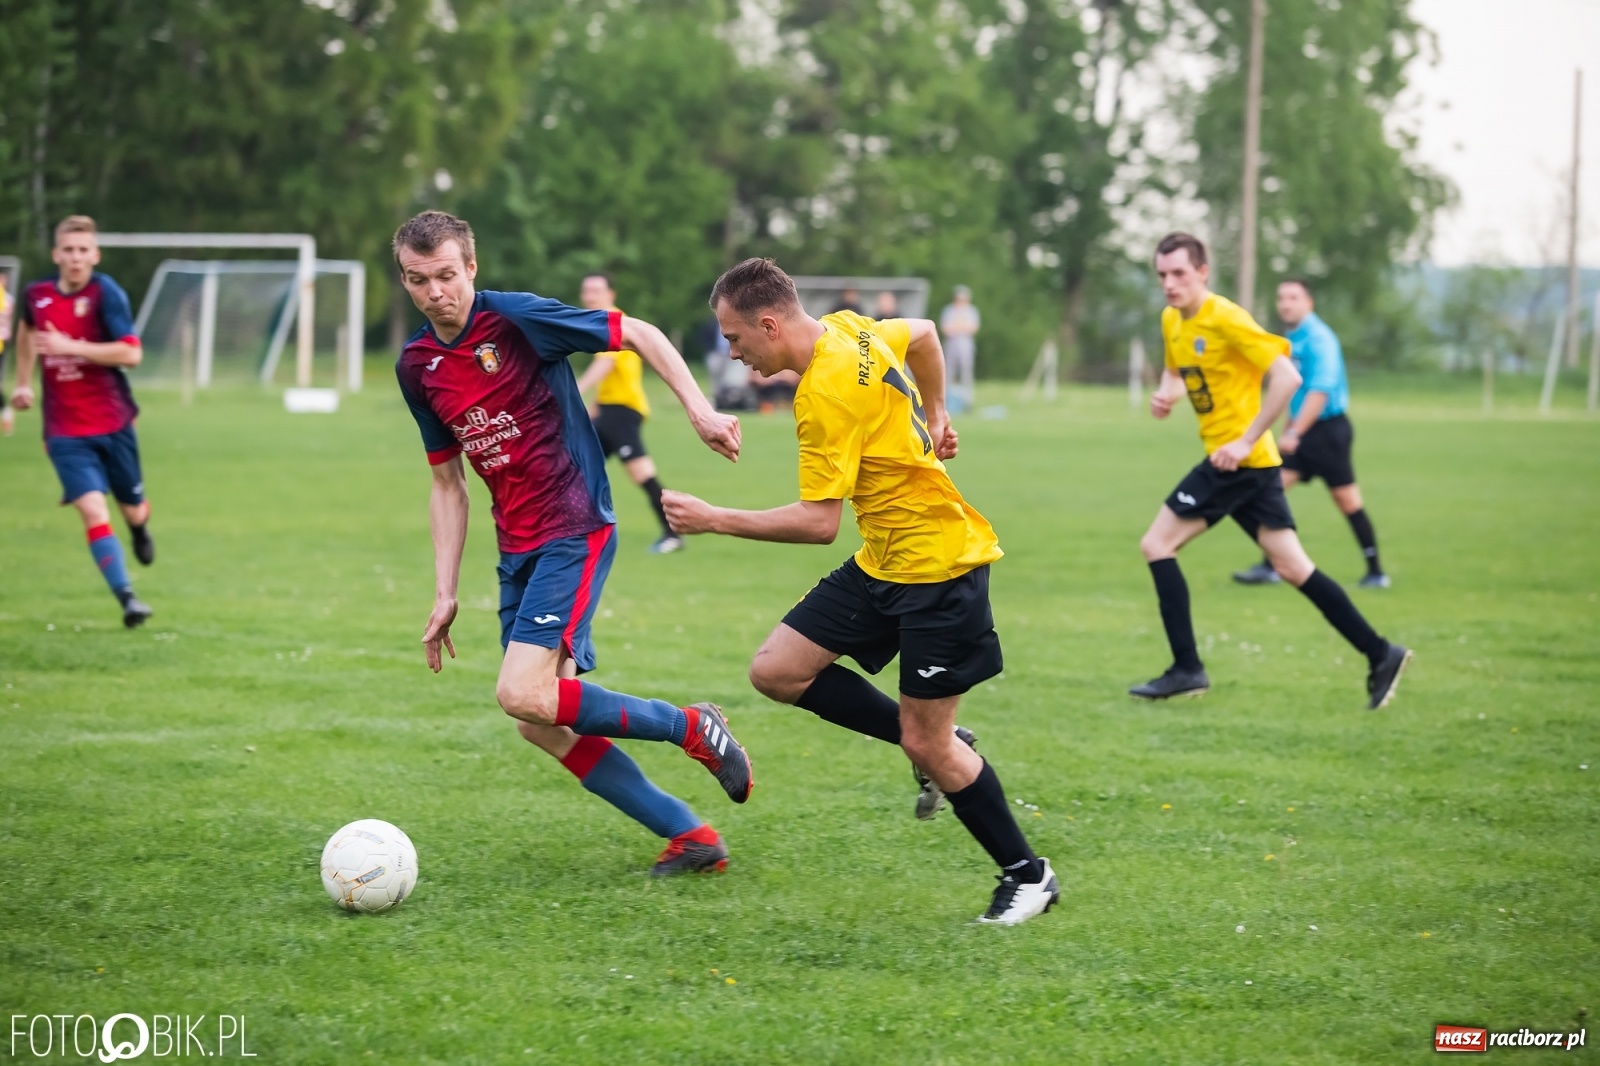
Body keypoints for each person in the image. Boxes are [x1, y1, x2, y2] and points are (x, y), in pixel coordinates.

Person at [663, 257, 1058, 925]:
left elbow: (818, 524)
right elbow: (926, 333)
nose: (732, 353)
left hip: (939, 568)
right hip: (884, 560)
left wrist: (715, 518)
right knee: (778, 671)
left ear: (768, 324)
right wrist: (937, 412)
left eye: (734, 339)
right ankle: (943, 739)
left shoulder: (823, 394)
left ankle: (1029, 875)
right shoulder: (851, 328)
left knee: (927, 745)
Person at [391, 211, 752, 876]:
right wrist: (444, 592)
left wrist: (700, 411)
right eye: (418, 280)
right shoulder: (418, 366)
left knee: (520, 694)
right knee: (538, 719)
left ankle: (691, 726)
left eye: (446, 275)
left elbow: (638, 332)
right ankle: (691, 836)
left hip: (575, 523)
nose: (435, 291)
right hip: (517, 545)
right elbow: (448, 485)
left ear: (471, 267)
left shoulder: (516, 320)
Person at [1130, 233, 1410, 709]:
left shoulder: (1227, 318)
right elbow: (1178, 371)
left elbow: (1287, 377)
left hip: (1235, 463)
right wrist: (1166, 394)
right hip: (1253, 467)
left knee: (1157, 544)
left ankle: (1186, 668)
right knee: (1294, 568)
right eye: (1161, 275)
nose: (1169, 284)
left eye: (1178, 273)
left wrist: (1242, 440)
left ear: (1202, 271)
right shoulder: (1172, 319)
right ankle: (1380, 653)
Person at [10, 216, 154, 627]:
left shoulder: (107, 294)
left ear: (95, 255)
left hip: (113, 422)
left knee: (132, 509)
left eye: (82, 250)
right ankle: (127, 598)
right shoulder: (36, 295)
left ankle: (140, 528)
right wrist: (23, 384)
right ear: (56, 255)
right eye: (68, 250)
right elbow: (25, 332)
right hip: (64, 430)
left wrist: (69, 346)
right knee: (93, 509)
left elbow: (132, 354)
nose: (75, 258)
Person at [1232, 279, 1388, 588]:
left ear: (1309, 303)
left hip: (1328, 433)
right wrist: (1290, 428)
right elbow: (1295, 392)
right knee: (1270, 490)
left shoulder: (1320, 339)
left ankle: (1376, 572)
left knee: (1347, 501)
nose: (1285, 303)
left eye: (1293, 297)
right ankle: (1272, 566)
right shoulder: (1292, 339)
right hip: (1302, 430)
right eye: (1281, 298)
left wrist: (1294, 433)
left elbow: (1319, 391)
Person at [572, 273, 682, 554]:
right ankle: (576, 532)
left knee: (640, 472)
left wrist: (576, 390)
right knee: (577, 466)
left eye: (596, 290)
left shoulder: (613, 321)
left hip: (621, 412)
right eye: (586, 291)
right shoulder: (600, 321)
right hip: (608, 411)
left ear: (611, 294)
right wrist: (594, 405)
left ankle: (673, 532)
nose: (590, 296)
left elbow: (606, 364)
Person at [939, 286, 980, 406]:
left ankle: (967, 400)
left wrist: (958, 327)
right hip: (951, 343)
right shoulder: (949, 311)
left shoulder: (971, 311)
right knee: (948, 371)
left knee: (966, 371)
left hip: (965, 344)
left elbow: (972, 328)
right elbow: (946, 328)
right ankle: (946, 400)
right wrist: (960, 327)